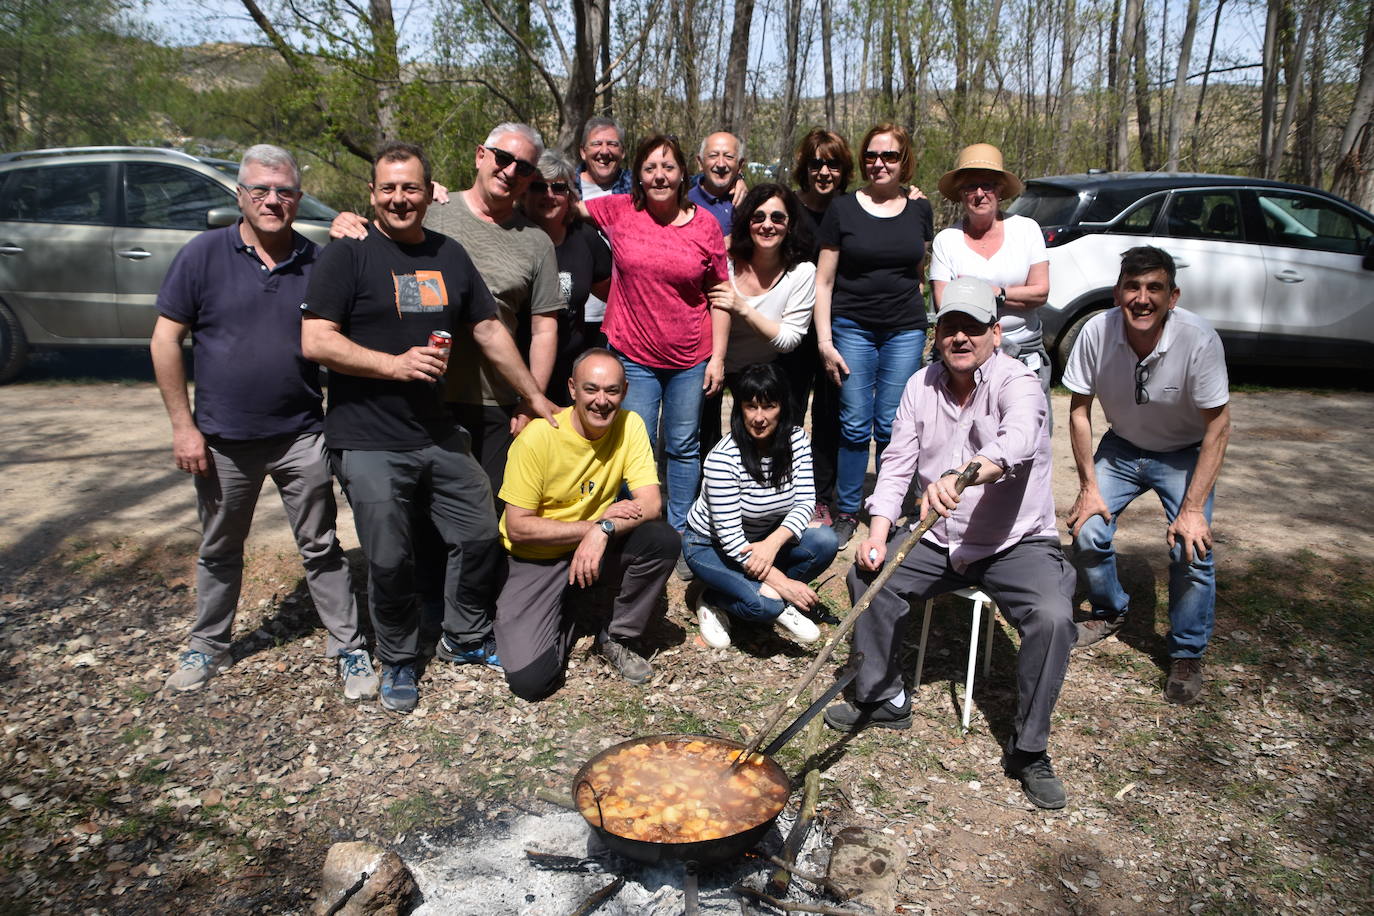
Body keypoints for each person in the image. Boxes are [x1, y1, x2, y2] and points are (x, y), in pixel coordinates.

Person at [301, 141, 557, 714]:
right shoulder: (350, 253)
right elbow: (315, 339)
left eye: (410, 187)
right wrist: (393, 365)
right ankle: (396, 659)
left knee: (479, 531)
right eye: (388, 188)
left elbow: (490, 332)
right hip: (366, 436)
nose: (399, 198)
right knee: (390, 558)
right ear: (371, 195)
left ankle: (462, 636)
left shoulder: (449, 254)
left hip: (435, 432)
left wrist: (535, 396)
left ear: (427, 192)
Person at [823, 277, 1077, 811]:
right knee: (868, 575)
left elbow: (1019, 441)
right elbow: (895, 464)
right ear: (937, 334)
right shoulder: (920, 385)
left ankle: (1029, 750)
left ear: (995, 333)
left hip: (1014, 541)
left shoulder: (1019, 382)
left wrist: (963, 476)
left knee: (1052, 616)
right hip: (936, 538)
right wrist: (876, 530)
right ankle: (881, 695)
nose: (960, 337)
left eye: (972, 327)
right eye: (949, 327)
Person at [152, 144, 375, 699]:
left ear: (298, 199)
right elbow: (164, 340)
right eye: (261, 190)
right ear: (240, 195)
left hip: (301, 433)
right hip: (222, 440)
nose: (273, 200)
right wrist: (184, 427)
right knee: (220, 546)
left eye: (284, 191)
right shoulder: (202, 255)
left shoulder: (317, 260)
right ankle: (208, 644)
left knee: (321, 546)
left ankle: (348, 649)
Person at [330, 123, 562, 498]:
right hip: (420, 392)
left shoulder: (536, 242)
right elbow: (379, 238)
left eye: (524, 167)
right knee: (418, 517)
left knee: (483, 513)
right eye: (503, 159)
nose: (510, 171)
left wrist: (528, 398)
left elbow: (543, 330)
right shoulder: (431, 208)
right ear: (480, 156)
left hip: (493, 399)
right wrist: (345, 221)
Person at [1063, 245, 1231, 706]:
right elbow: (1079, 410)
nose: (1142, 298)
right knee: (1086, 528)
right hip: (1122, 447)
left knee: (1191, 546)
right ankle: (1109, 609)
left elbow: (1219, 424)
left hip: (1184, 452)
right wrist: (1088, 489)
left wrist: (1193, 509)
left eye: (1153, 288)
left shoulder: (1199, 338)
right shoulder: (1097, 332)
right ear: (1118, 293)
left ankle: (1187, 653)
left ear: (1171, 296)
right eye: (1132, 287)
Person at [575, 133, 731, 568]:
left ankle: (680, 531)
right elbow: (557, 206)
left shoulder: (705, 226)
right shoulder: (617, 210)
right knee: (636, 444)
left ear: (684, 173)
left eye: (667, 167)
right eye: (649, 168)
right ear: (638, 176)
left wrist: (717, 357)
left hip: (690, 356)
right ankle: (636, 528)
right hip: (633, 356)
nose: (659, 175)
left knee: (682, 446)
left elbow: (719, 294)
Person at [495, 349, 679, 698]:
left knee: (662, 540)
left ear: (624, 391)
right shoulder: (538, 437)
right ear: (572, 389)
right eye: (591, 389)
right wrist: (593, 526)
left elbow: (651, 503)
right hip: (536, 556)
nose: (601, 401)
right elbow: (518, 527)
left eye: (611, 390)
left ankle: (617, 636)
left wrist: (602, 530)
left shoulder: (630, 425)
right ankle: (566, 607)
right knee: (532, 682)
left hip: (593, 544)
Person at [813, 122, 934, 549]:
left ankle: (886, 508)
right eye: (871, 155)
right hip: (851, 327)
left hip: (903, 328)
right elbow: (823, 282)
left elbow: (917, 274)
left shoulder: (921, 210)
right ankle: (847, 510)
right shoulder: (842, 210)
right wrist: (825, 341)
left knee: (892, 425)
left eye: (889, 156)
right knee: (853, 424)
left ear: (905, 163)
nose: (879, 163)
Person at [683, 363, 837, 648]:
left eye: (769, 406)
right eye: (750, 406)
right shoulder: (723, 459)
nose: (759, 417)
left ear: (783, 407)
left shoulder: (797, 441)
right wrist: (785, 584)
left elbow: (805, 503)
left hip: (763, 540)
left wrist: (772, 544)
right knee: (765, 607)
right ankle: (712, 598)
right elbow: (731, 542)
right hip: (711, 546)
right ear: (740, 409)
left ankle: (756, 592)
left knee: (825, 541)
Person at [932, 143, 1052, 416]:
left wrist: (993, 293)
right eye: (970, 187)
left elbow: (1040, 292)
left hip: (1023, 351)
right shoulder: (946, 240)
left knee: (1028, 431)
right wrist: (1015, 296)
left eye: (987, 185)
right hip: (965, 357)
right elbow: (944, 304)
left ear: (1000, 190)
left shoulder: (1026, 230)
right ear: (960, 194)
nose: (979, 194)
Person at [699, 182, 816, 452]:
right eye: (758, 217)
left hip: (765, 366)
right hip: (710, 359)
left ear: (790, 224)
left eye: (777, 217)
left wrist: (743, 308)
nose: (767, 225)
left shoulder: (801, 273)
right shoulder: (725, 260)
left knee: (759, 441)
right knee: (700, 438)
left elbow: (789, 339)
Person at [779, 128, 853, 527]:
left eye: (833, 163)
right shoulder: (787, 208)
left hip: (835, 327)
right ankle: (782, 491)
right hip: (790, 328)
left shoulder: (853, 209)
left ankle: (822, 497)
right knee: (787, 411)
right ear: (804, 168)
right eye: (816, 163)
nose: (824, 171)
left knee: (830, 416)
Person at [519, 151, 613, 404]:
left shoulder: (585, 238)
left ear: (570, 195)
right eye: (538, 187)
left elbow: (613, 295)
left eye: (558, 187)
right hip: (516, 370)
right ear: (524, 193)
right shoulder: (509, 235)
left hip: (570, 373)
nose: (548, 195)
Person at [574, 116, 631, 342]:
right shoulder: (560, 187)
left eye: (613, 144)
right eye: (597, 144)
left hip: (622, 316)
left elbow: (686, 183)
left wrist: (738, 179)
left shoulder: (639, 190)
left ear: (623, 152)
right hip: (570, 315)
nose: (604, 151)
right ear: (582, 151)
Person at [689, 131, 746, 235]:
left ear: (740, 165)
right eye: (713, 156)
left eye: (729, 157)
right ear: (700, 162)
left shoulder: (748, 203)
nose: (721, 164)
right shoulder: (684, 204)